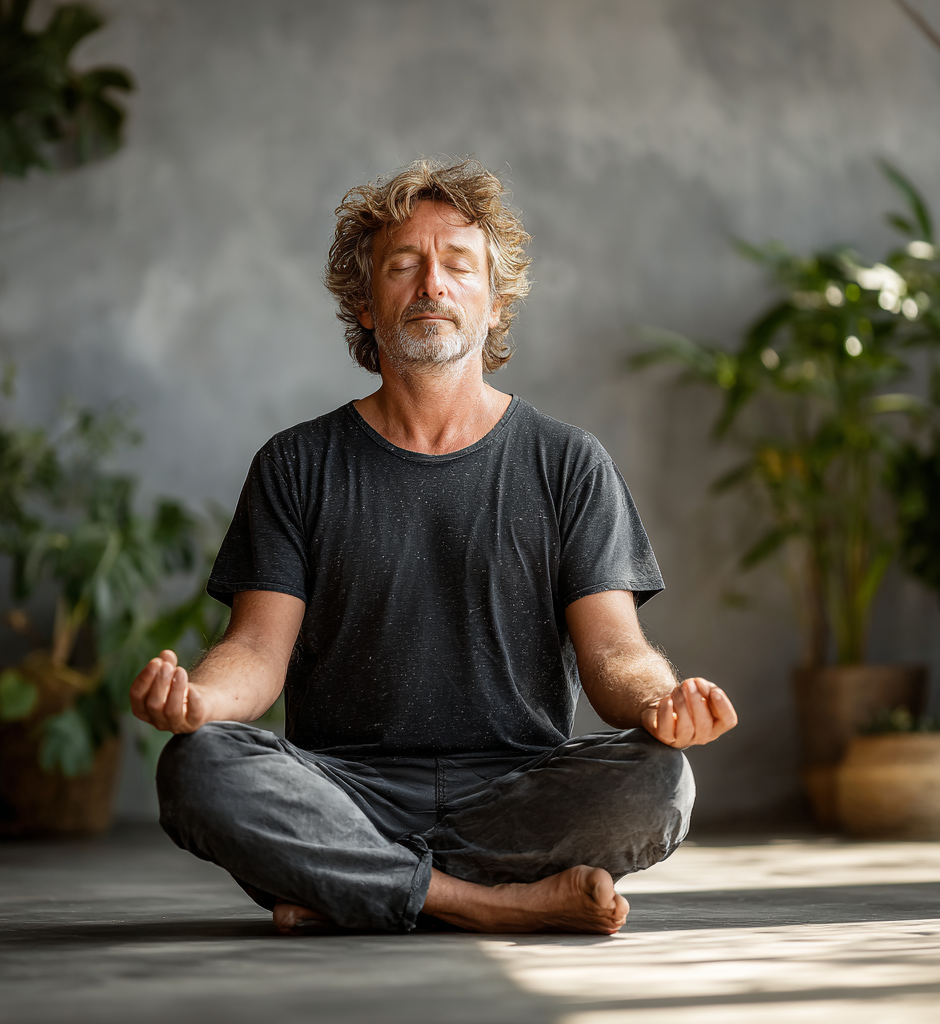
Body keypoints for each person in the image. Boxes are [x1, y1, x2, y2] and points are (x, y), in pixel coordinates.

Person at [130, 158, 738, 936]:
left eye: (458, 265)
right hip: (344, 787)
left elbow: (614, 650)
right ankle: (487, 903)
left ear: (495, 300)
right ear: (365, 299)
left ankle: (355, 889)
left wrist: (662, 700)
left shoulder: (568, 462)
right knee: (199, 766)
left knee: (661, 782)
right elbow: (254, 649)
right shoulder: (296, 464)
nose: (432, 286)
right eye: (403, 265)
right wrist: (198, 704)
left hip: (518, 790)